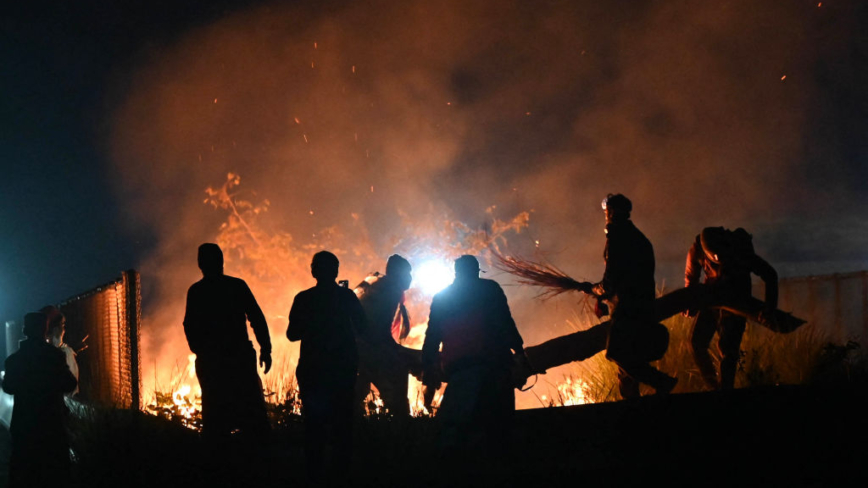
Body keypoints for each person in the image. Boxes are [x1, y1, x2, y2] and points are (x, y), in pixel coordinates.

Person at [422, 255, 528, 467]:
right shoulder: (489, 289)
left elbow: (432, 336)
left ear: (456, 272)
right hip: (495, 365)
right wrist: (520, 353)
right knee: (499, 429)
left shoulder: (442, 297)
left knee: (458, 429)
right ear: (477, 270)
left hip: (460, 370)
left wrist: (428, 369)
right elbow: (505, 323)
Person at [287, 251, 368, 480]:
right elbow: (363, 328)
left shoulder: (304, 299)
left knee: (314, 424)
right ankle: (341, 474)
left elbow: (292, 334)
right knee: (343, 424)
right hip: (342, 369)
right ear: (336, 271)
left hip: (313, 369)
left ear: (313, 271)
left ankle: (314, 474)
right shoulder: (347, 297)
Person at [183, 243, 272, 441]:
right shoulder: (236, 286)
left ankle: (219, 462)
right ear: (221, 262)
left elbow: (189, 325)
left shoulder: (197, 291)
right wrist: (266, 348)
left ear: (200, 264)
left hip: (212, 362)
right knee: (251, 411)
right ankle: (257, 459)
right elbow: (256, 317)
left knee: (215, 415)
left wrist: (200, 350)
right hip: (238, 358)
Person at [590, 194, 676, 399]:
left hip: (628, 309)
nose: (605, 216)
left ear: (611, 212)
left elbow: (612, 279)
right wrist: (602, 296)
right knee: (629, 365)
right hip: (642, 305)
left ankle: (662, 382)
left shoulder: (617, 237)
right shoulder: (639, 237)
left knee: (618, 354)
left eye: (606, 211)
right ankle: (633, 412)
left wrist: (597, 291)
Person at [685, 226, 778, 390]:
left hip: (737, 301)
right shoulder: (698, 248)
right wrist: (689, 302)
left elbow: (770, 274)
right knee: (696, 343)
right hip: (711, 298)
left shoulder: (740, 249)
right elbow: (691, 277)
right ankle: (713, 387)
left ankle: (726, 392)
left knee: (728, 350)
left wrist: (769, 307)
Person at [3, 312, 78, 488]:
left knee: (24, 473)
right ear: (44, 330)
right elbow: (69, 384)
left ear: (24, 330)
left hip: (24, 426)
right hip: (51, 425)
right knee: (54, 473)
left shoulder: (14, 361)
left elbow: (8, 387)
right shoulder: (55, 357)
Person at [354, 254, 415, 416]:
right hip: (365, 347)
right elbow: (377, 328)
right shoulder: (389, 290)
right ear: (397, 273)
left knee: (357, 392)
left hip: (358, 346)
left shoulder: (379, 285)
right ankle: (400, 426)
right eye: (407, 273)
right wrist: (396, 351)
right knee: (396, 390)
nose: (410, 277)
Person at [40, 306, 79, 397]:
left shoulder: (32, 354)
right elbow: (70, 386)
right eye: (62, 325)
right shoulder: (62, 355)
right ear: (55, 330)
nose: (64, 330)